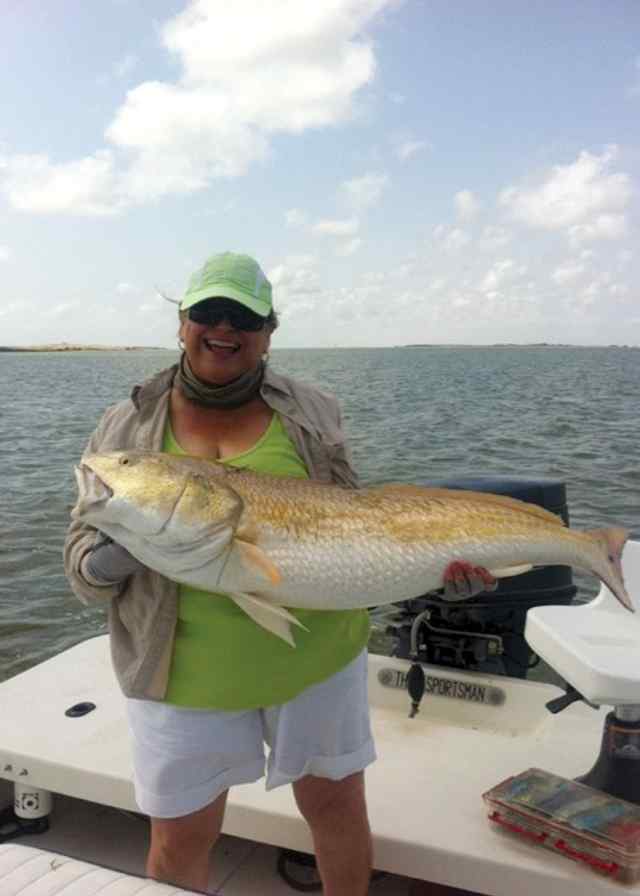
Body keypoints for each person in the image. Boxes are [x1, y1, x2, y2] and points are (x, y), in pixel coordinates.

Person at [64, 251, 495, 895]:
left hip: (316, 660)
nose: (224, 328)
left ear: (269, 330)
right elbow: (82, 562)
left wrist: (436, 569)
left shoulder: (312, 409)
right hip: (179, 672)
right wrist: (121, 551)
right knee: (178, 839)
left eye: (244, 316)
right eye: (208, 312)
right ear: (182, 322)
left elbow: (359, 523)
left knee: (337, 808)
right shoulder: (125, 426)